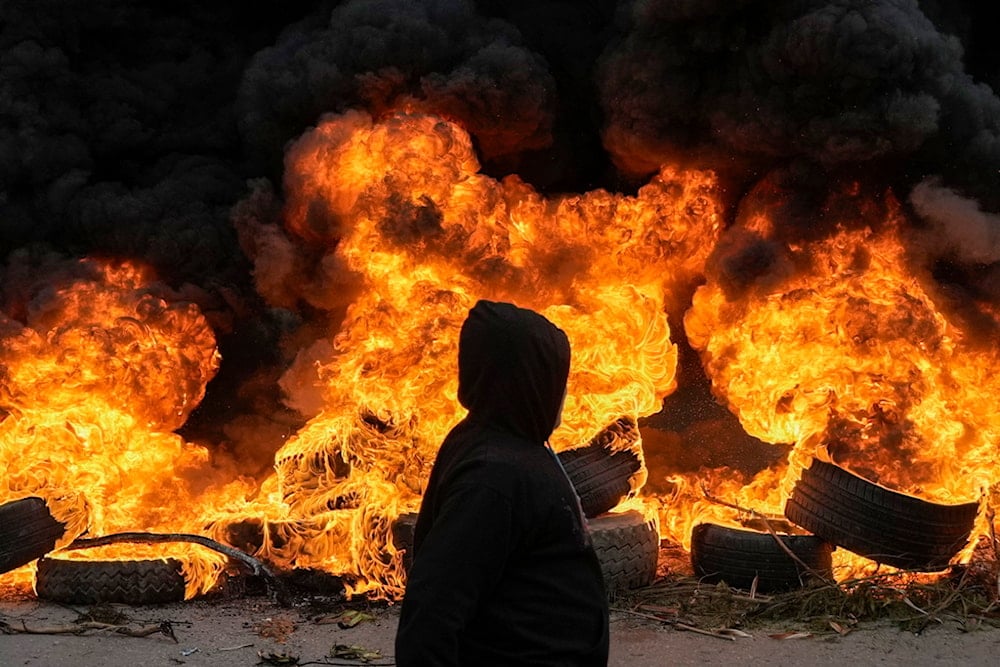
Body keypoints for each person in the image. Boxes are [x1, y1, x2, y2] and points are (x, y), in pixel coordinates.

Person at [395, 299, 609, 666]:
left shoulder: (506, 443)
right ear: (523, 382)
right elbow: (432, 610)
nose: (563, 394)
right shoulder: (492, 478)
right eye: (554, 378)